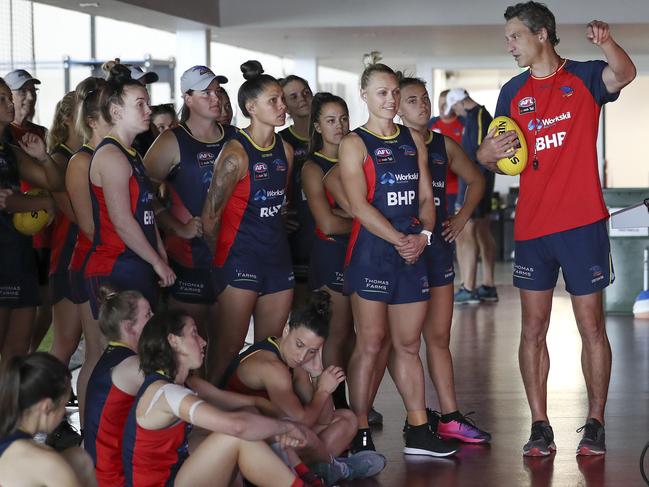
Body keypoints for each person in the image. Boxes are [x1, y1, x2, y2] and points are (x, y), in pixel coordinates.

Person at [477, 1, 636, 456]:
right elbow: (491, 155)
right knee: (533, 329)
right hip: (532, 227)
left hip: (582, 223)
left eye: (515, 36)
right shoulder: (511, 93)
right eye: (507, 38)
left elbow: (623, 74)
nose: (509, 45)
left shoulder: (584, 76)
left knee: (591, 327)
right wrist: (488, 154)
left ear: (541, 34)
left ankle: (596, 421)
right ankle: (540, 425)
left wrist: (608, 44)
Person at [338, 61, 456, 457]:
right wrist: (398, 239)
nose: (389, 100)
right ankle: (358, 430)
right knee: (371, 343)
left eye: (393, 92)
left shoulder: (412, 139)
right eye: (382, 93)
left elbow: (427, 196)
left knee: (407, 345)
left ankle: (419, 429)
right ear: (366, 97)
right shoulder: (354, 143)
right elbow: (357, 205)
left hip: (412, 252)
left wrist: (421, 235)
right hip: (372, 254)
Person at [397, 74, 491, 444]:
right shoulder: (382, 144)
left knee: (438, 338)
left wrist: (463, 215)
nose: (422, 105)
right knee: (396, 344)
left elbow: (477, 179)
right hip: (400, 255)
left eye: (424, 98)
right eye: (412, 100)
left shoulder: (443, 144)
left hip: (436, 250)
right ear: (396, 107)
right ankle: (411, 421)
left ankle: (450, 417)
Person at [122, 309, 313, 487]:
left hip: (174, 473)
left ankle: (304, 477)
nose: (203, 342)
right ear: (173, 340)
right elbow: (236, 426)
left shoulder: (179, 384)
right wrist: (286, 427)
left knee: (245, 421)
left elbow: (248, 407)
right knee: (235, 435)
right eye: (194, 334)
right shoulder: (167, 392)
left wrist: (279, 427)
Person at [223, 291, 386, 485]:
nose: (301, 356)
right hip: (248, 443)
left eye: (312, 351)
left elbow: (324, 419)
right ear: (286, 330)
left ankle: (319, 469)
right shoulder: (271, 367)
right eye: (299, 344)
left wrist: (317, 372)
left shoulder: (292, 359)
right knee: (302, 432)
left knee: (347, 419)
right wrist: (323, 390)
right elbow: (300, 421)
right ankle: (338, 469)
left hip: (277, 436)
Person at [201, 61, 295, 385]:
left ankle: (254, 412)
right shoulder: (235, 154)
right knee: (225, 350)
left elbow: (279, 204)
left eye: (283, 99)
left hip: (277, 260)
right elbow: (209, 217)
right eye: (274, 100)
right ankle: (206, 424)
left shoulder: (286, 150)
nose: (283, 107)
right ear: (251, 107)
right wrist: (221, 261)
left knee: (269, 352)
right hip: (239, 260)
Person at [144, 66, 235, 337]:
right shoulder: (172, 140)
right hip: (189, 257)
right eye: (206, 92)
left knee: (225, 344)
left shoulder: (234, 137)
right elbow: (140, 193)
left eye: (217, 91)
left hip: (232, 256)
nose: (215, 98)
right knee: (190, 344)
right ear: (187, 98)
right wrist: (175, 225)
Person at [84, 62, 175, 319]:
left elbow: (143, 210)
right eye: (140, 104)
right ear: (116, 111)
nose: (149, 110)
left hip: (136, 261)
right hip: (116, 265)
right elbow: (122, 221)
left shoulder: (131, 153)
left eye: (148, 102)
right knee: (123, 354)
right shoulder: (112, 155)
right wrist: (156, 261)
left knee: (143, 352)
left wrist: (159, 250)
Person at [0, 77, 64, 364]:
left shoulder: (11, 150)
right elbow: (9, 202)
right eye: (2, 98)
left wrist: (43, 156)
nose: (10, 103)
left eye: (8, 98)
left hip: (18, 256)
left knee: (17, 353)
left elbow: (54, 182)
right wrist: (46, 202)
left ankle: (10, 410)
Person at [301, 93, 354, 410]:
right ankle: (337, 404)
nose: (340, 126)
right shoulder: (313, 166)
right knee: (338, 334)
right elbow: (328, 223)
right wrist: (365, 221)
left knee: (358, 338)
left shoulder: (357, 156)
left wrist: (355, 217)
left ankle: (356, 401)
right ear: (318, 126)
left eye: (344, 118)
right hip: (331, 255)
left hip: (359, 254)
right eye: (331, 120)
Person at [66, 77, 111, 427]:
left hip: (115, 259)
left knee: (115, 351)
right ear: (94, 120)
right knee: (96, 350)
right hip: (91, 262)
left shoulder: (119, 153)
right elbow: (89, 226)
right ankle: (87, 431)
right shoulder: (81, 161)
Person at [83, 288, 152, 486]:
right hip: (116, 479)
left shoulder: (114, 357)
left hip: (107, 472)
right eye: (148, 314)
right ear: (130, 327)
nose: (154, 319)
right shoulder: (132, 366)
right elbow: (182, 396)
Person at [0, 352, 97, 486]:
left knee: (79, 458)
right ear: (46, 407)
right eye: (64, 404)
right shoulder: (45, 462)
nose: (64, 411)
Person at [445, 87, 499, 304]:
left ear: (459, 103)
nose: (456, 113)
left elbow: (481, 152)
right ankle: (487, 285)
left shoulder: (478, 116)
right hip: (480, 183)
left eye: (455, 108)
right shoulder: (478, 117)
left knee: (466, 233)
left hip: (474, 184)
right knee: (481, 232)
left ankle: (469, 287)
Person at [47, 91, 83, 369]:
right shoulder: (61, 159)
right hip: (67, 255)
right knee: (65, 342)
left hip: (86, 255)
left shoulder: (90, 154)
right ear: (70, 118)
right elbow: (72, 212)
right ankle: (41, 404)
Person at [279, 75, 314, 298]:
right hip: (298, 237)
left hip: (335, 234)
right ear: (286, 106)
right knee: (303, 314)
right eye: (293, 96)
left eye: (305, 92)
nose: (302, 98)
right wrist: (278, 217)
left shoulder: (335, 135)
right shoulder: (280, 141)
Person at [429, 89, 464, 212]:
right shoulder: (431, 124)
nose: (443, 107)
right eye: (440, 104)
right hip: (435, 188)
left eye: (446, 104)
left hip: (459, 188)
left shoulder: (464, 123)